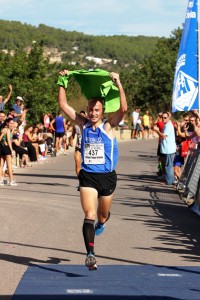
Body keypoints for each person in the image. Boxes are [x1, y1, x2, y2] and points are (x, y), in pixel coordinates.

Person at [58, 69, 127, 270]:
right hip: (88, 176)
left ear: (102, 111)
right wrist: (62, 81)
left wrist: (119, 83)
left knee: (102, 216)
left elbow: (123, 109)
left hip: (107, 178)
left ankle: (103, 222)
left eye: (97, 110)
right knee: (90, 214)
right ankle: (90, 254)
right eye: (90, 109)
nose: (93, 113)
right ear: (86, 110)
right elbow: (63, 105)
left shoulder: (108, 126)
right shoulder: (83, 125)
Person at [153, 112, 176, 185]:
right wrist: (157, 131)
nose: (163, 119)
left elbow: (163, 136)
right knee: (168, 165)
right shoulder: (167, 125)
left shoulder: (168, 126)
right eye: (162, 117)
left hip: (169, 149)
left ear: (169, 118)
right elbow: (162, 136)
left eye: (165, 117)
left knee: (168, 166)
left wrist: (157, 130)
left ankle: (169, 181)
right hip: (167, 149)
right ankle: (170, 180)